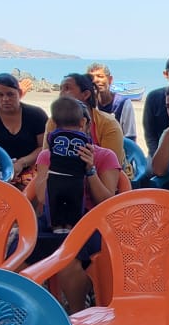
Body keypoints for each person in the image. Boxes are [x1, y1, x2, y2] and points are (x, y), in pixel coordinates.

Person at [28, 95, 121, 313]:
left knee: (67, 259)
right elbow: (42, 198)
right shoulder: (46, 156)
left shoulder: (105, 156)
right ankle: (38, 314)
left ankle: (76, 314)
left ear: (85, 125)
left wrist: (89, 170)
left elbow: (107, 202)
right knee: (19, 256)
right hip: (54, 220)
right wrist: (56, 163)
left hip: (91, 222)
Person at [0, 73, 48, 189]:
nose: (5, 99)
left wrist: (22, 163)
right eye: (0, 95)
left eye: (10, 94)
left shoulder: (36, 115)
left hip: (30, 168)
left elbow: (43, 147)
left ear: (20, 93)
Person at [52, 73, 125, 167]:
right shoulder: (54, 121)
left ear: (85, 94)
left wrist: (89, 171)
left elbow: (112, 166)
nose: (61, 94)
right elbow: (47, 157)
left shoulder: (108, 124)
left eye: (67, 88)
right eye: (60, 89)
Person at [87, 62, 137, 140]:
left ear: (110, 80)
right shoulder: (89, 105)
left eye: (100, 76)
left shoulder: (123, 103)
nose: (95, 80)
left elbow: (130, 135)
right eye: (91, 78)